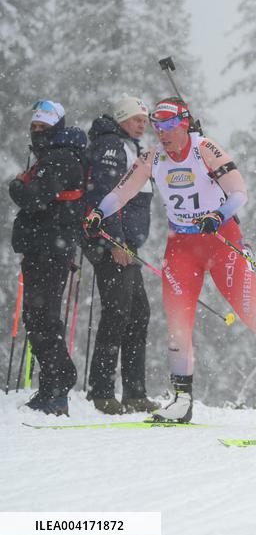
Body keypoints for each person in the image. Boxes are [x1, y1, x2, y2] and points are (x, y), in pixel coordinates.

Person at [83, 97, 256, 423]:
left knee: (252, 312)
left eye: (170, 127)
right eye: (158, 128)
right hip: (181, 248)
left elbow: (239, 191)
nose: (163, 134)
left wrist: (219, 214)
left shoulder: (205, 149)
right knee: (177, 326)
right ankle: (182, 399)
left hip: (220, 241)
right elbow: (121, 191)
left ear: (185, 124)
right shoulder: (153, 157)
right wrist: (99, 212)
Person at [9, 101, 88, 416]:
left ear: (57, 128)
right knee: (39, 318)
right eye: (35, 127)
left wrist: (16, 186)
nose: (38, 132)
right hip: (47, 248)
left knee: (40, 319)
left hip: (49, 251)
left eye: (44, 128)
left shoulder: (58, 159)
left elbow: (36, 198)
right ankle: (53, 386)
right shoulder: (56, 157)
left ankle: (58, 386)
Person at [82, 95, 156, 414]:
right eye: (138, 119)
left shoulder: (128, 146)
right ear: (123, 118)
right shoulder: (112, 145)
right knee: (118, 312)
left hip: (125, 244)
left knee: (138, 311)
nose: (143, 124)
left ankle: (135, 393)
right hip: (111, 242)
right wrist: (114, 240)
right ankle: (101, 392)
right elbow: (104, 194)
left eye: (145, 120)